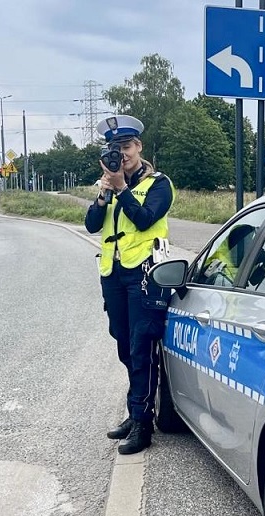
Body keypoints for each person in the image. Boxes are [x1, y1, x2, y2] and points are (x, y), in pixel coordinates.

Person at [85, 114, 175, 455]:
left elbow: (145, 219)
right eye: (114, 149)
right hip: (114, 274)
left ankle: (142, 424)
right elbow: (92, 225)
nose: (121, 154)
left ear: (138, 147)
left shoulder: (159, 185)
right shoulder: (109, 184)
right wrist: (103, 195)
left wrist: (122, 189)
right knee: (124, 345)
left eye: (126, 147)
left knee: (141, 348)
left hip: (145, 275)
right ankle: (136, 409)